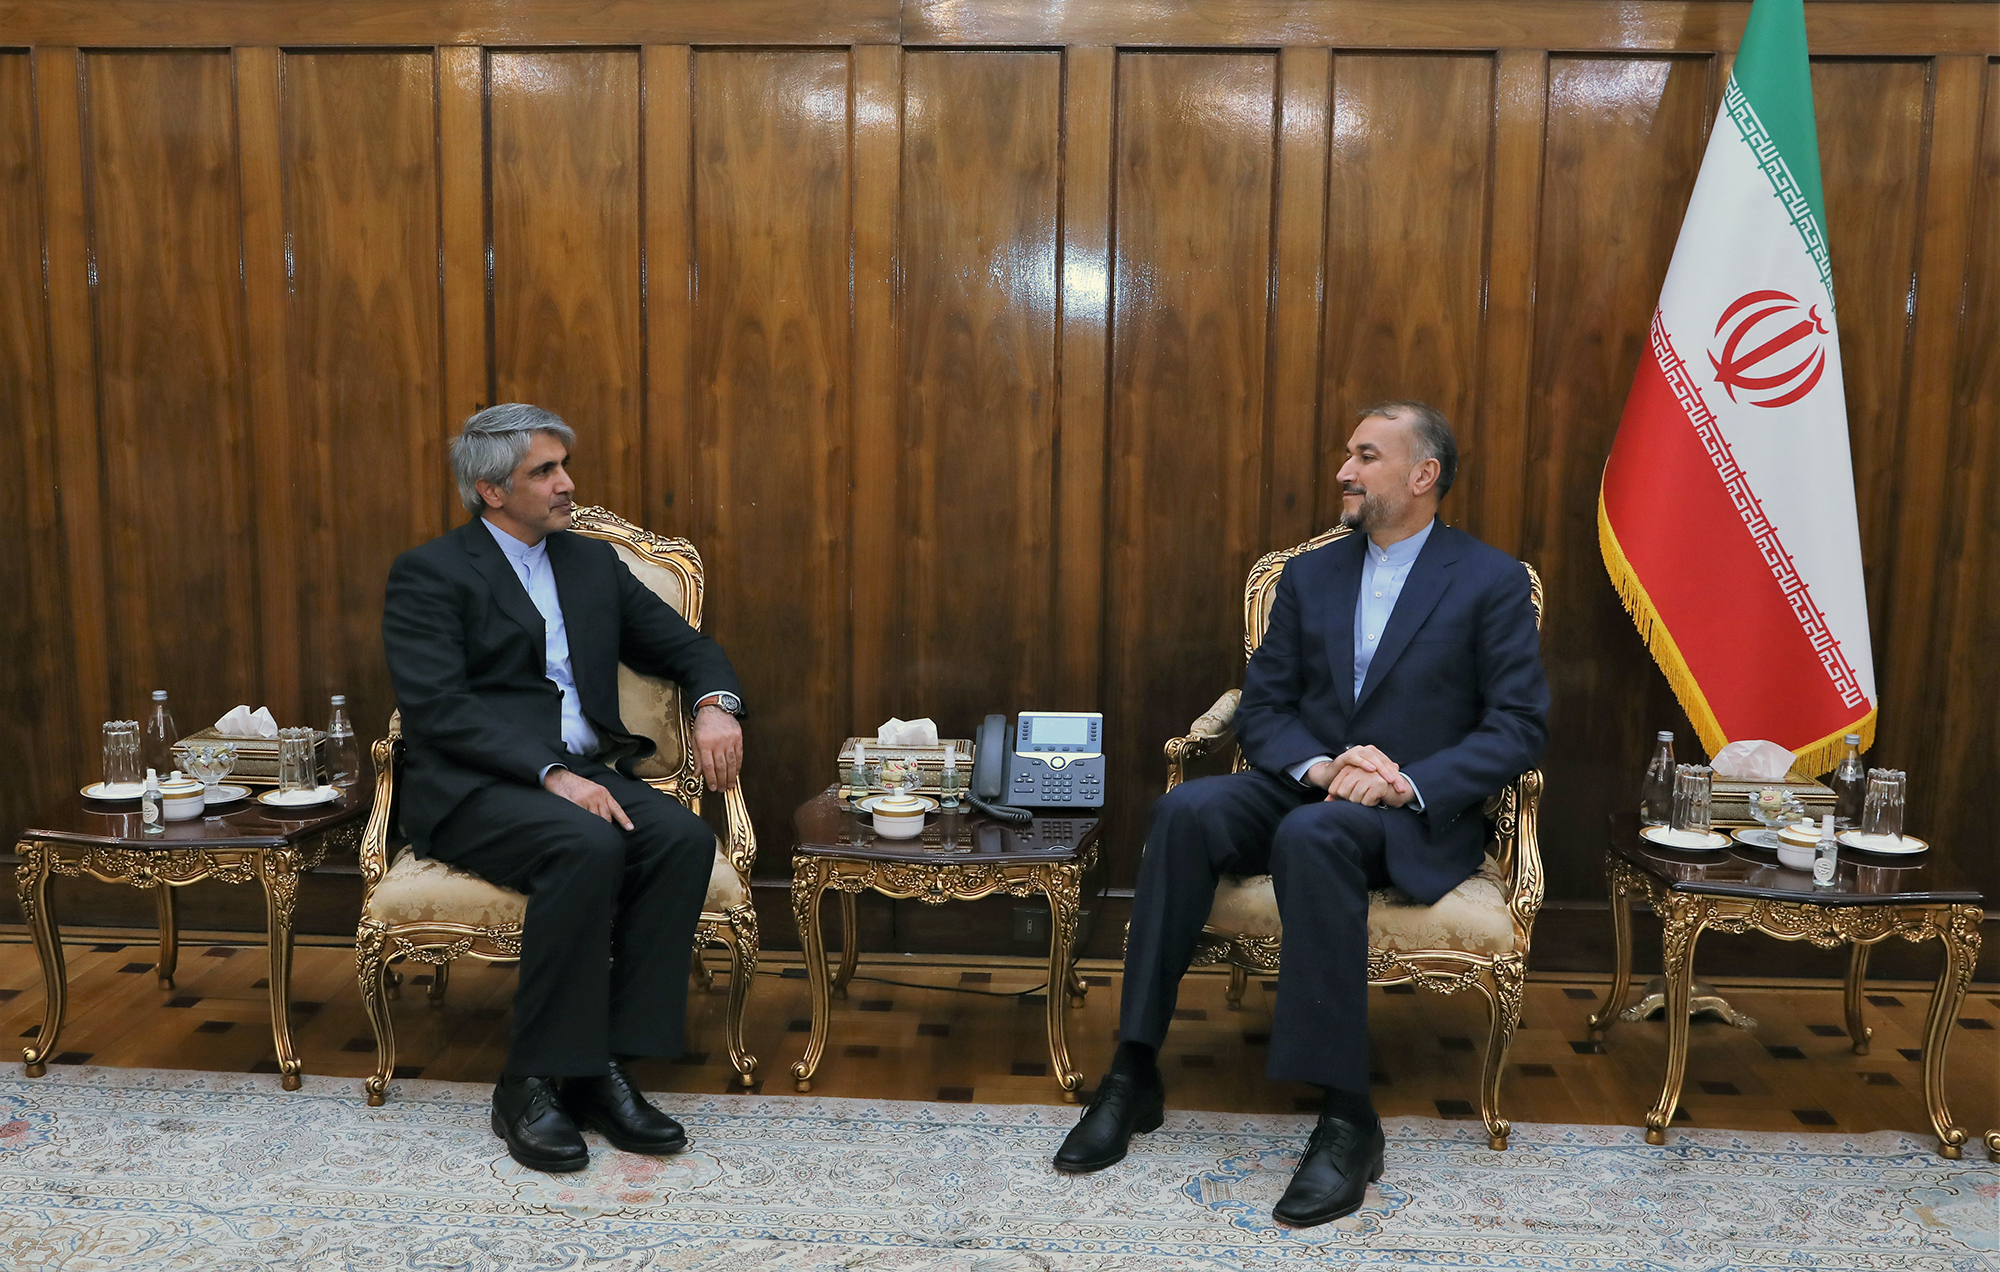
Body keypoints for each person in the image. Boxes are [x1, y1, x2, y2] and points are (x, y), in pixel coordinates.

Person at [1055, 401, 1548, 1227]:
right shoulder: (1310, 575)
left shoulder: (1489, 581)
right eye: (1348, 455)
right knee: (1183, 812)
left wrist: (1403, 782)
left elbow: (1519, 727)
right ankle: (1133, 1073)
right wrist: (1324, 767)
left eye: (1367, 456)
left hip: (1409, 812)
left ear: (1423, 476)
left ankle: (1348, 1117)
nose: (1344, 471)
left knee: (1314, 832)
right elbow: (1264, 709)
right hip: (1307, 784)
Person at [382, 403, 748, 1174]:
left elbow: (689, 649)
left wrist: (717, 706)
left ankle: (599, 1068)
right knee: (584, 843)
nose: (566, 484)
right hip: (475, 786)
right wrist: (551, 775)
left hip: (584, 772)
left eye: (563, 466)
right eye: (544, 471)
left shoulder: (590, 564)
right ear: (492, 491)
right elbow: (440, 711)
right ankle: (527, 1082)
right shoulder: (430, 573)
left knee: (680, 839)